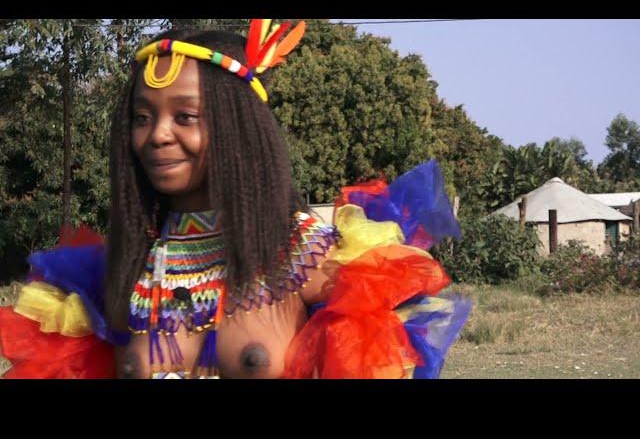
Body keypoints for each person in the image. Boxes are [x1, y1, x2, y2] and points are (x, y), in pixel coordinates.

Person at [0, 19, 471, 379]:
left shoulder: (314, 261)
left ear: (237, 129)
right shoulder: (117, 278)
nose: (157, 135)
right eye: (142, 117)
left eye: (186, 116)